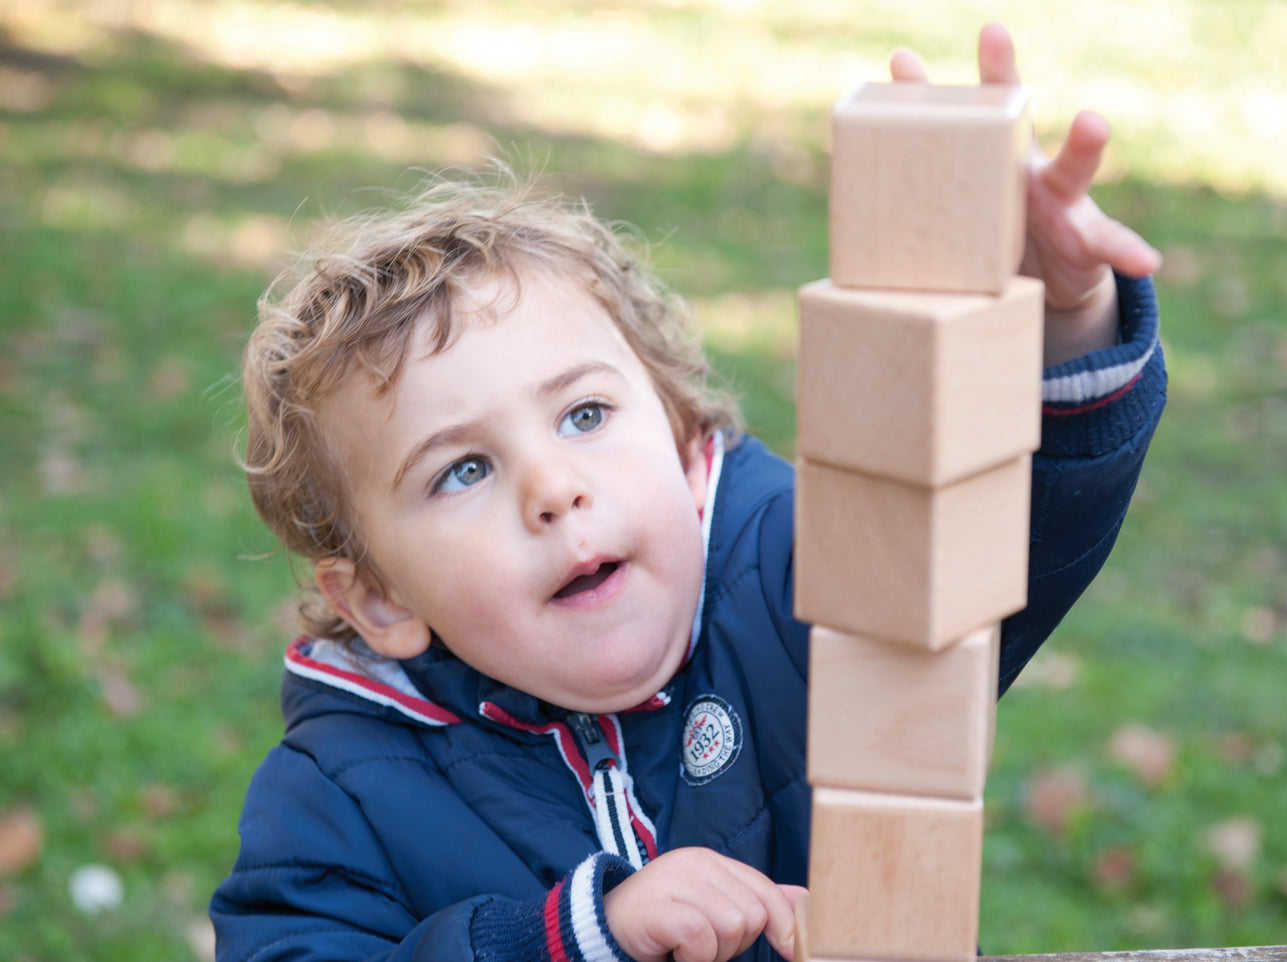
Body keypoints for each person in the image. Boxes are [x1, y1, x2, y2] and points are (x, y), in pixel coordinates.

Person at [211, 23, 1166, 962]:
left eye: (583, 415)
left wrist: (1060, 320)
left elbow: (1007, 537)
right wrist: (575, 940)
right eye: (463, 469)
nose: (553, 488)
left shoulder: (797, 578)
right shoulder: (341, 792)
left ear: (676, 432)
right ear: (379, 598)